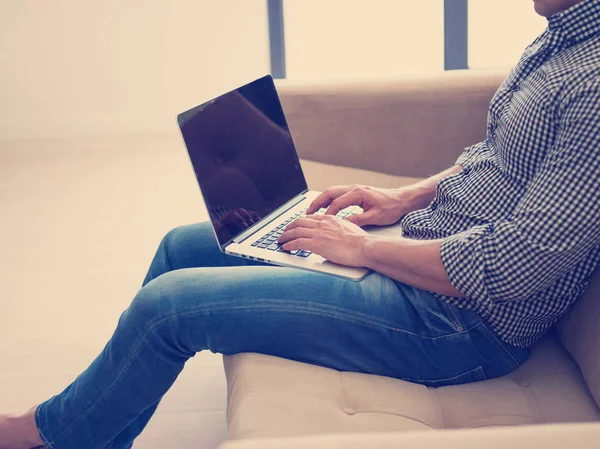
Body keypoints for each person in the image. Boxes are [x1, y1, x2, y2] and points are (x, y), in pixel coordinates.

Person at [2, 0, 599, 447]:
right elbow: (493, 158)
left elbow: (517, 263)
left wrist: (361, 249)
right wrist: (401, 199)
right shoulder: (558, 39)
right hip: (423, 252)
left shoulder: (592, 85)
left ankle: (45, 433)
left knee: (171, 308)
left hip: (459, 324)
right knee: (182, 246)